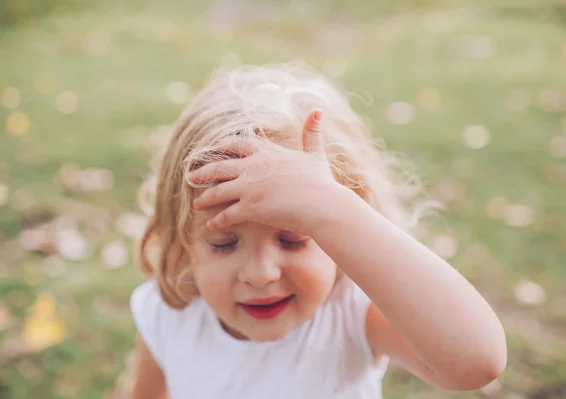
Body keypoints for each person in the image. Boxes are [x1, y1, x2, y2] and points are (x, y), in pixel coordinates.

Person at [128, 63, 506, 399]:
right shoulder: (171, 314)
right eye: (224, 244)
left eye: (294, 238)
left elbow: (477, 363)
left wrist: (332, 207)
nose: (261, 274)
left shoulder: (353, 314)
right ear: (183, 243)